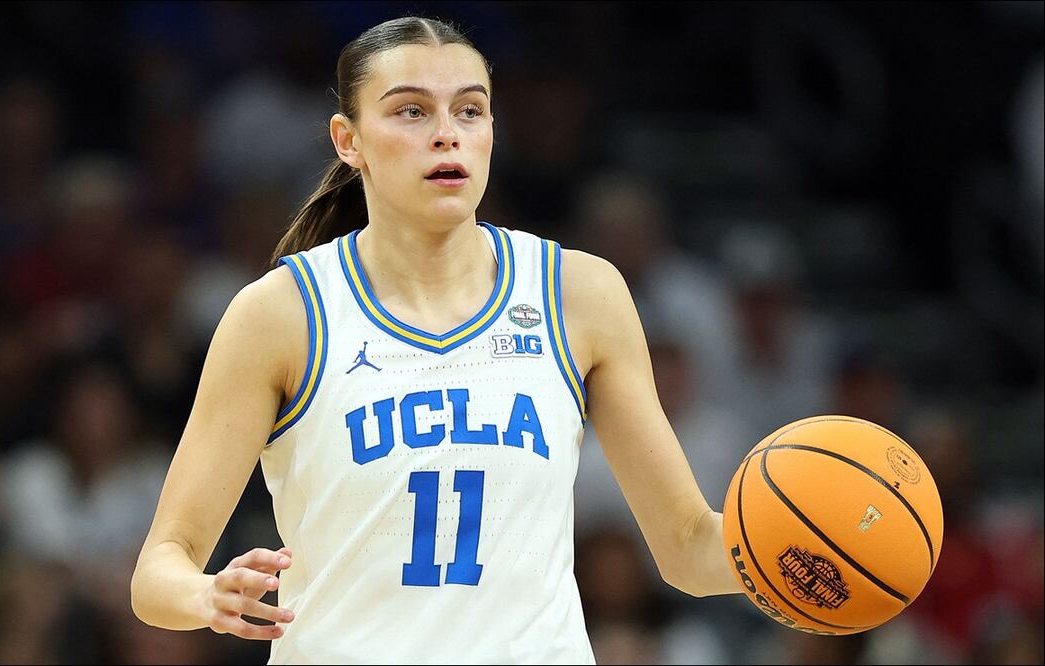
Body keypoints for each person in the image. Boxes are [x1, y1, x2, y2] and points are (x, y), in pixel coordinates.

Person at [131, 16, 740, 664]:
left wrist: (797, 553)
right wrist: (206, 595)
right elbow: (159, 569)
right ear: (348, 140)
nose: (447, 133)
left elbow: (688, 548)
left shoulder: (578, 294)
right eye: (412, 111)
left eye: (469, 110)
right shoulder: (282, 314)